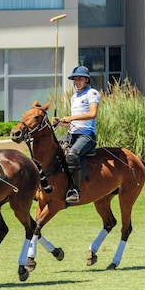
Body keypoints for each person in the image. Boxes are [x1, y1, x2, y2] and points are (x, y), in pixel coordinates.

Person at [52, 65, 99, 204]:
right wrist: (60, 122)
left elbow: (92, 114)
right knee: (53, 150)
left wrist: (71, 118)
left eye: (79, 79)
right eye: (74, 79)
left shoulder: (92, 93)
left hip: (87, 135)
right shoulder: (74, 97)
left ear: (86, 80)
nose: (76, 81)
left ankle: (75, 191)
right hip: (72, 134)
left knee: (72, 155)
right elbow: (71, 124)